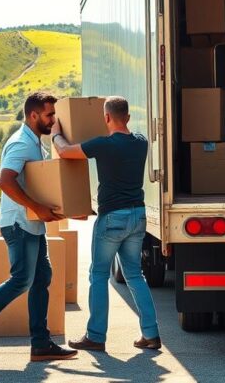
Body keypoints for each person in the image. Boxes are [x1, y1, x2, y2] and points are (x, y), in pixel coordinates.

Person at [0, 92, 77, 363]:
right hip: (18, 224)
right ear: (33, 115)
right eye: (49, 115)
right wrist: (37, 207)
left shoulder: (35, 143)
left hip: (32, 224)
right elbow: (5, 181)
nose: (53, 120)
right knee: (22, 279)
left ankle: (41, 344)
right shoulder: (21, 143)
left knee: (41, 279)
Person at [50, 96, 161, 352]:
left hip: (112, 218)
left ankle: (96, 336)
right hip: (138, 216)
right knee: (135, 274)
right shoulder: (141, 142)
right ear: (129, 118)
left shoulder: (103, 145)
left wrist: (56, 133)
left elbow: (65, 152)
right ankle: (151, 334)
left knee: (98, 275)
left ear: (106, 118)